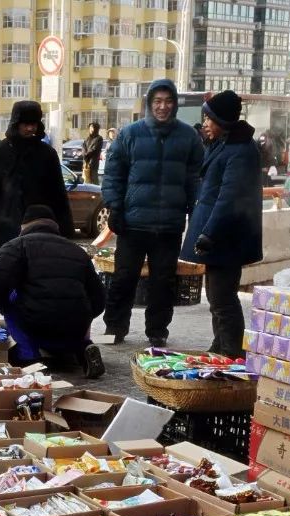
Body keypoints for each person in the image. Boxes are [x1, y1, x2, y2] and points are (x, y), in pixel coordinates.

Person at [101, 79, 204, 348]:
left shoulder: (188, 137)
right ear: (149, 104)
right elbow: (113, 174)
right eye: (157, 101)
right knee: (124, 278)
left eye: (168, 101)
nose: (162, 107)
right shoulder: (130, 134)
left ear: (175, 105)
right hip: (133, 224)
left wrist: (196, 214)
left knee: (163, 282)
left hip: (169, 225)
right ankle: (114, 326)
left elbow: (195, 179)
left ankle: (157, 331)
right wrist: (114, 207)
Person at [181, 90, 262, 358]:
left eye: (209, 119)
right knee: (215, 297)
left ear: (223, 121)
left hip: (227, 237)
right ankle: (220, 345)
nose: (205, 123)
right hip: (219, 236)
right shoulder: (224, 143)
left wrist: (209, 233)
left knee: (223, 298)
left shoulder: (239, 150)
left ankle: (231, 351)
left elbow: (228, 197)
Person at [0, 205, 106, 378]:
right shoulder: (78, 251)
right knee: (77, 304)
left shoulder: (17, 246)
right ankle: (83, 347)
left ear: (23, 226)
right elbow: (99, 297)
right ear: (54, 227)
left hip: (37, 322)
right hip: (74, 326)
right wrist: (85, 315)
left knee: (9, 300)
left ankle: (28, 356)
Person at [0, 101, 73, 255]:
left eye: (34, 124)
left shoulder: (47, 154)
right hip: (5, 233)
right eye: (25, 124)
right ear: (15, 124)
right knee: (7, 276)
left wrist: (65, 231)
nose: (30, 128)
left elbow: (58, 195)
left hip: (41, 232)